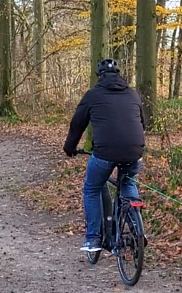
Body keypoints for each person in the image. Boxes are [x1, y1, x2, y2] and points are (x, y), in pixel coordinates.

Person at [63, 59, 146, 252]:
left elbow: (77, 125)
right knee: (127, 182)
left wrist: (70, 148)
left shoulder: (93, 95)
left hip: (105, 153)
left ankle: (93, 239)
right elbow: (143, 122)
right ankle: (138, 231)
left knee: (92, 188)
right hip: (134, 151)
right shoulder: (133, 94)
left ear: (99, 76)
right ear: (119, 75)